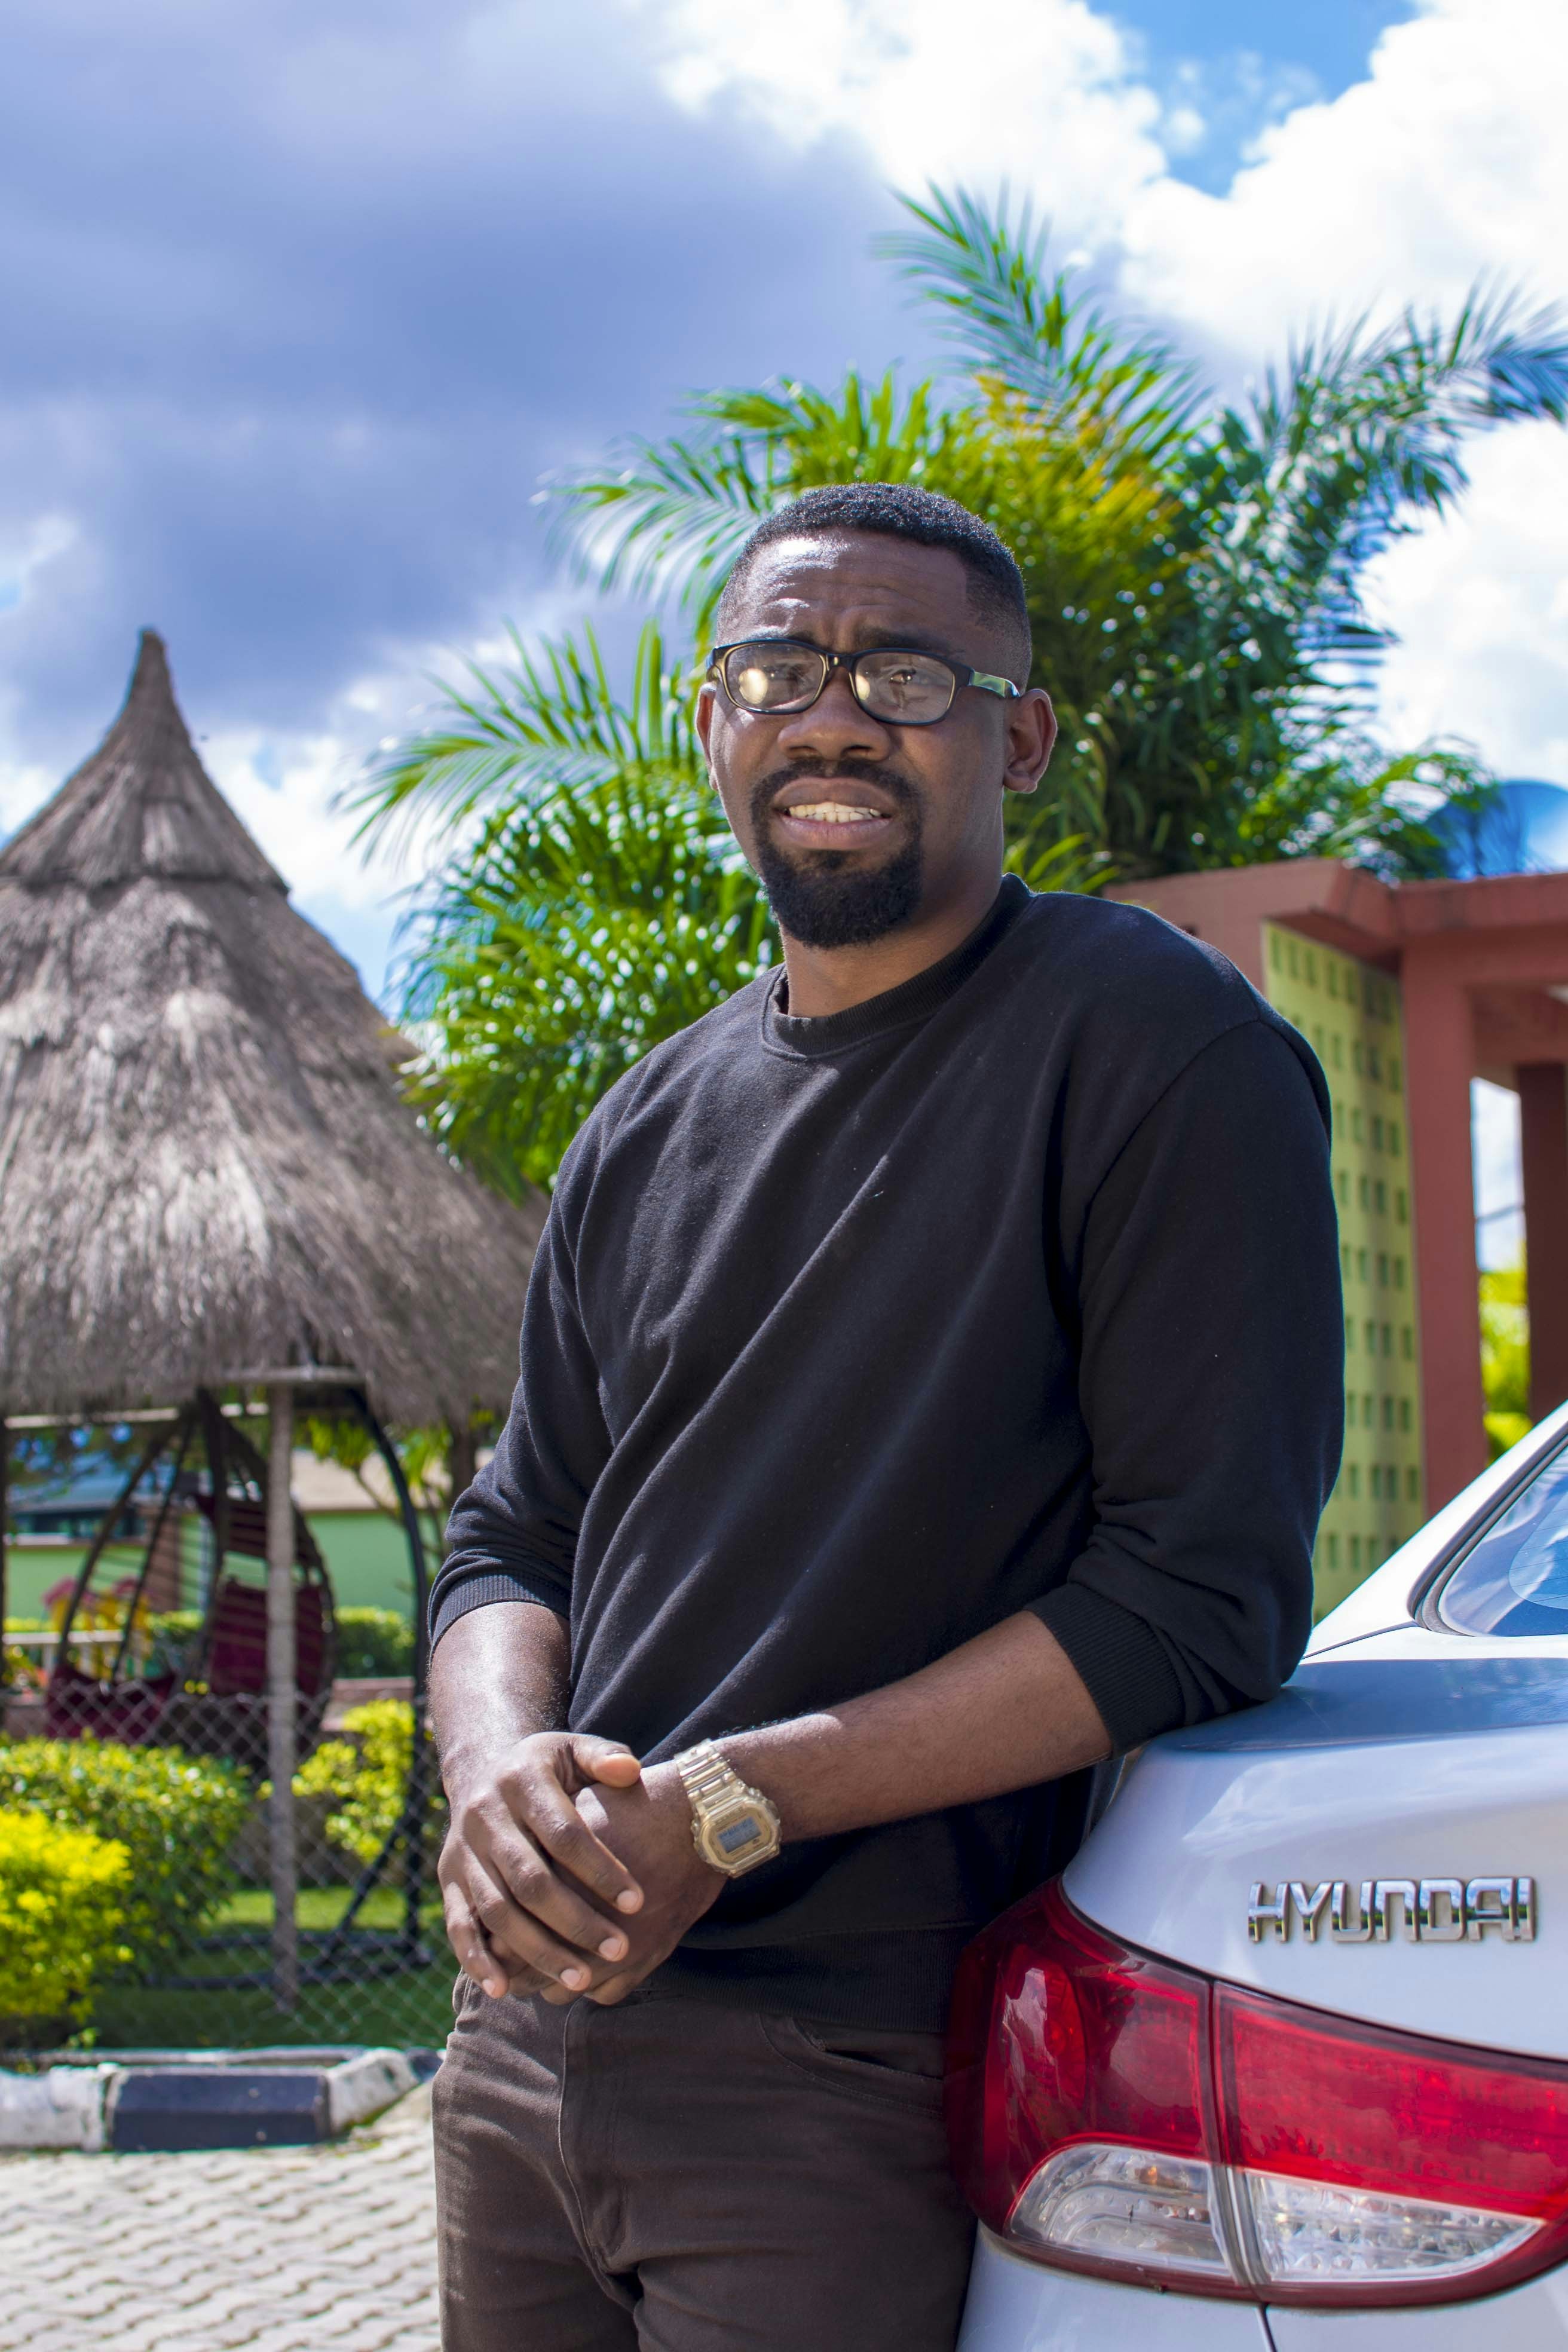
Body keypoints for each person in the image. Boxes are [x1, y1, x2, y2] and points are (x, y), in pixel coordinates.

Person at [428, 482, 1343, 2351]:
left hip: (845, 2064)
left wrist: (730, 1807)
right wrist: (495, 1779)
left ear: (1017, 737)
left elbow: (1200, 1594)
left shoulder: (1157, 1051)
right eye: (779, 662)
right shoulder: (647, 1118)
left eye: (904, 671)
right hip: (520, 2062)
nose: (832, 710)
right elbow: (513, 1535)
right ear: (714, 722)